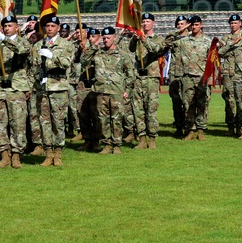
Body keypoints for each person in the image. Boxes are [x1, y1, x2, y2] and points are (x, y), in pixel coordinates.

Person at [80, 27, 135, 154]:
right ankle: (106, 144)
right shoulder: (98, 53)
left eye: (108, 38)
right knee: (103, 120)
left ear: (114, 37)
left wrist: (128, 90)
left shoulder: (122, 54)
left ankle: (116, 145)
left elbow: (130, 73)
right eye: (103, 38)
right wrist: (93, 46)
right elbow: (84, 61)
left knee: (116, 119)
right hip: (101, 91)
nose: (105, 40)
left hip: (117, 92)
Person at [0, 15, 32, 169]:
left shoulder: (22, 41)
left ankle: (16, 154)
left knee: (17, 122)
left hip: (16, 86)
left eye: (10, 26)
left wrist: (4, 40)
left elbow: (22, 50)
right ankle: (4, 154)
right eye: (5, 26)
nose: (7, 29)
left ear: (17, 28)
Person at [31, 15, 75, 167]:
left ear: (58, 28)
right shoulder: (38, 45)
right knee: (44, 121)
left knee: (58, 121)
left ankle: (58, 154)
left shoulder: (65, 45)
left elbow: (66, 63)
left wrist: (53, 56)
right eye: (47, 26)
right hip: (42, 88)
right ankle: (48, 153)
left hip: (58, 87)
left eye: (52, 26)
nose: (49, 29)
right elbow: (33, 66)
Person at [126, 12, 169, 149]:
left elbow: (156, 50)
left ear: (153, 23)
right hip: (138, 77)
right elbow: (131, 49)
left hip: (151, 78)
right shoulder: (138, 38)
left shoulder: (158, 39)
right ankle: (142, 138)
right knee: (138, 110)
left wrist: (144, 39)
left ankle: (152, 139)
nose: (145, 24)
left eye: (148, 22)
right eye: (143, 22)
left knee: (151, 109)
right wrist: (135, 39)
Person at [167, 15, 213, 141]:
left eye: (196, 24)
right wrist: (181, 29)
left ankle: (201, 130)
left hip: (202, 77)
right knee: (188, 105)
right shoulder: (183, 41)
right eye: (192, 25)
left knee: (202, 104)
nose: (194, 27)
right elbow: (168, 40)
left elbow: (212, 61)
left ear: (201, 25)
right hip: (187, 77)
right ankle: (191, 130)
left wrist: (211, 78)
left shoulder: (208, 42)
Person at [220, 14, 242, 136]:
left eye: (235, 23)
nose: (233, 25)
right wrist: (232, 44)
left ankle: (240, 126)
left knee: (240, 99)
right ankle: (230, 126)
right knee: (229, 99)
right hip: (228, 73)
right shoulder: (226, 38)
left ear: (240, 23)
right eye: (231, 23)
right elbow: (220, 52)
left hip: (241, 72)